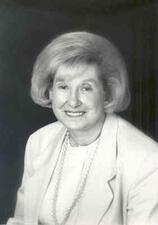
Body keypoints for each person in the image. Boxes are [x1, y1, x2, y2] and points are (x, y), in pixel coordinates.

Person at [7, 31, 158, 225]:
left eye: (86, 88)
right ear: (50, 91)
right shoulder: (39, 142)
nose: (73, 101)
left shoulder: (146, 161)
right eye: (63, 87)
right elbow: (21, 221)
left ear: (107, 93)